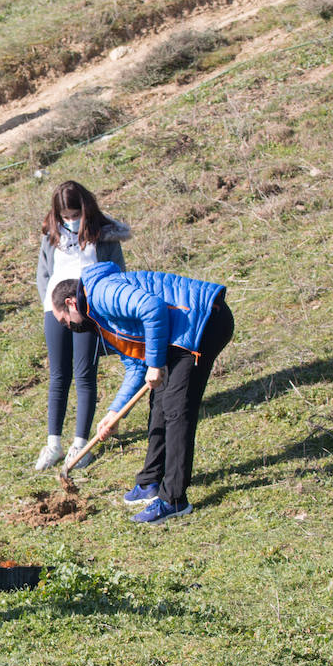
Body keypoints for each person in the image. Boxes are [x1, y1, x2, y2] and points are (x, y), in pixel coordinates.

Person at [49, 262, 233, 525]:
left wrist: (157, 364)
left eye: (64, 321)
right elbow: (136, 365)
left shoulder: (100, 292)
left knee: (176, 409)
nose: (68, 327)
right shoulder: (99, 317)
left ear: (70, 303)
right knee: (158, 403)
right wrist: (113, 414)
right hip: (177, 333)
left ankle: (174, 500)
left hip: (202, 320)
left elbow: (153, 308)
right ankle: (150, 481)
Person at [33, 182, 131, 472]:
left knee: (84, 373)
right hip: (56, 310)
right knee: (58, 376)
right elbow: (43, 272)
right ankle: (53, 444)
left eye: (75, 214)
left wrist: (102, 309)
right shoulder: (51, 232)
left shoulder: (103, 233)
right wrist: (50, 305)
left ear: (85, 209)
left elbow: (117, 271)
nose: (71, 220)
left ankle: (80, 443)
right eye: (66, 216)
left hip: (90, 310)